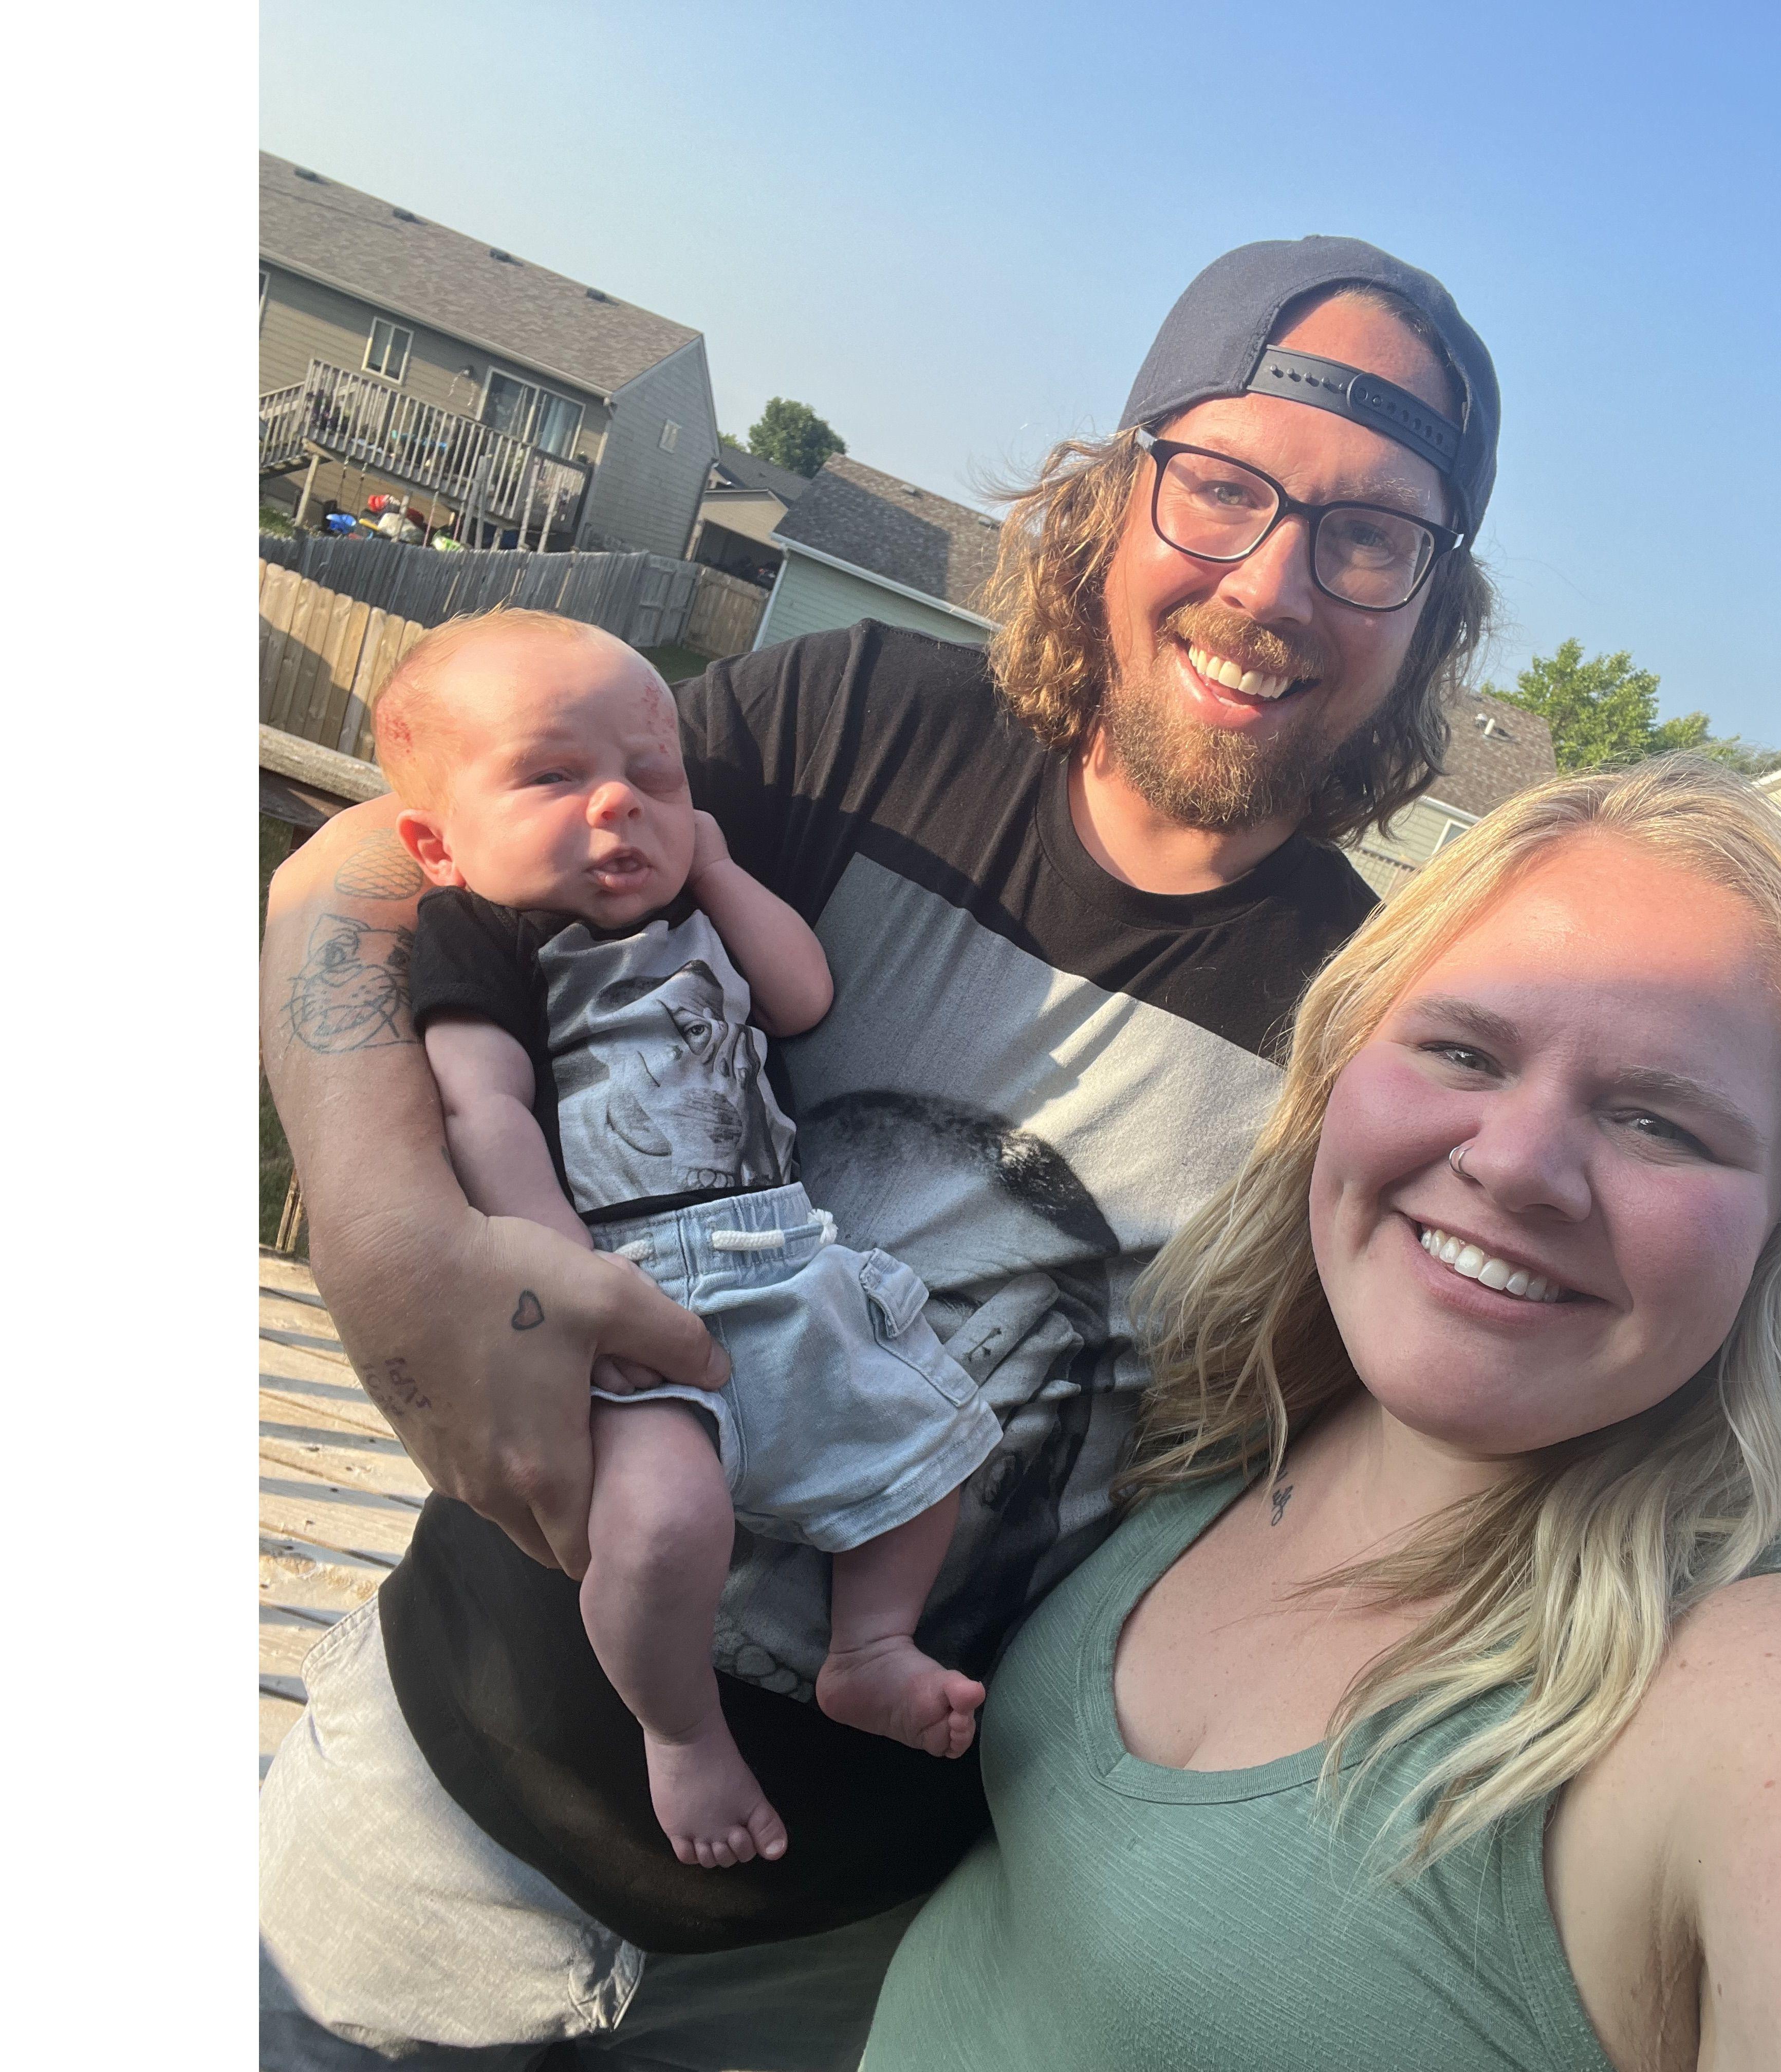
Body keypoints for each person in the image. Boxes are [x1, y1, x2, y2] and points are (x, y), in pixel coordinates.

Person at [257, 235, 1501, 2067]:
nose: (1272, 585)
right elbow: (368, 862)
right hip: (426, 1815)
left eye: (1372, 536)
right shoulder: (841, 725)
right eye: (1224, 488)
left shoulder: (1372, 1027)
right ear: (1115, 495)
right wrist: (382, 1236)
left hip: (840, 1970)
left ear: (1432, 609)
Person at [862, 756, 1781, 2072]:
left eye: (1661, 1123)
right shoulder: (1245, 1406)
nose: (1515, 1165)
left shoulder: (1770, 1688)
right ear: (1341, 1062)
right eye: (1464, 1052)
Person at [376, 608, 1003, 1872]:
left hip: (784, 1257)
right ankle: (680, 1729)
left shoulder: (700, 909)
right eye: (553, 777)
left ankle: (869, 1648)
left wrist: (714, 867)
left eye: (654, 779)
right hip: (628, 1285)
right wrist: (565, 1282)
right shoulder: (486, 933)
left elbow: (804, 996)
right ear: (439, 844)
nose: (620, 805)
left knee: (935, 1448)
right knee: (664, 1528)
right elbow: (484, 1110)